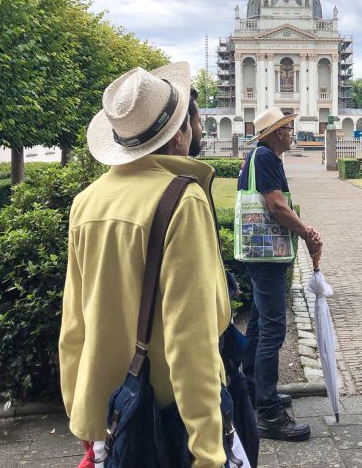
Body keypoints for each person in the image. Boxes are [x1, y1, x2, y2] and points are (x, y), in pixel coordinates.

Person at [60, 62, 232, 468]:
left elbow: (73, 323)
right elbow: (190, 341)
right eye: (192, 121)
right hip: (161, 413)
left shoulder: (87, 201)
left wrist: (81, 411)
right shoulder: (181, 200)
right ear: (180, 135)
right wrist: (208, 449)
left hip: (107, 411)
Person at [238, 107, 322, 442]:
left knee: (259, 324)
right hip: (267, 257)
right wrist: (306, 232)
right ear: (275, 133)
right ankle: (269, 414)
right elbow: (275, 205)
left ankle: (252, 391)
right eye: (288, 129)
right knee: (273, 330)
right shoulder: (266, 158)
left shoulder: (259, 156)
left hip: (260, 255)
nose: (292, 134)